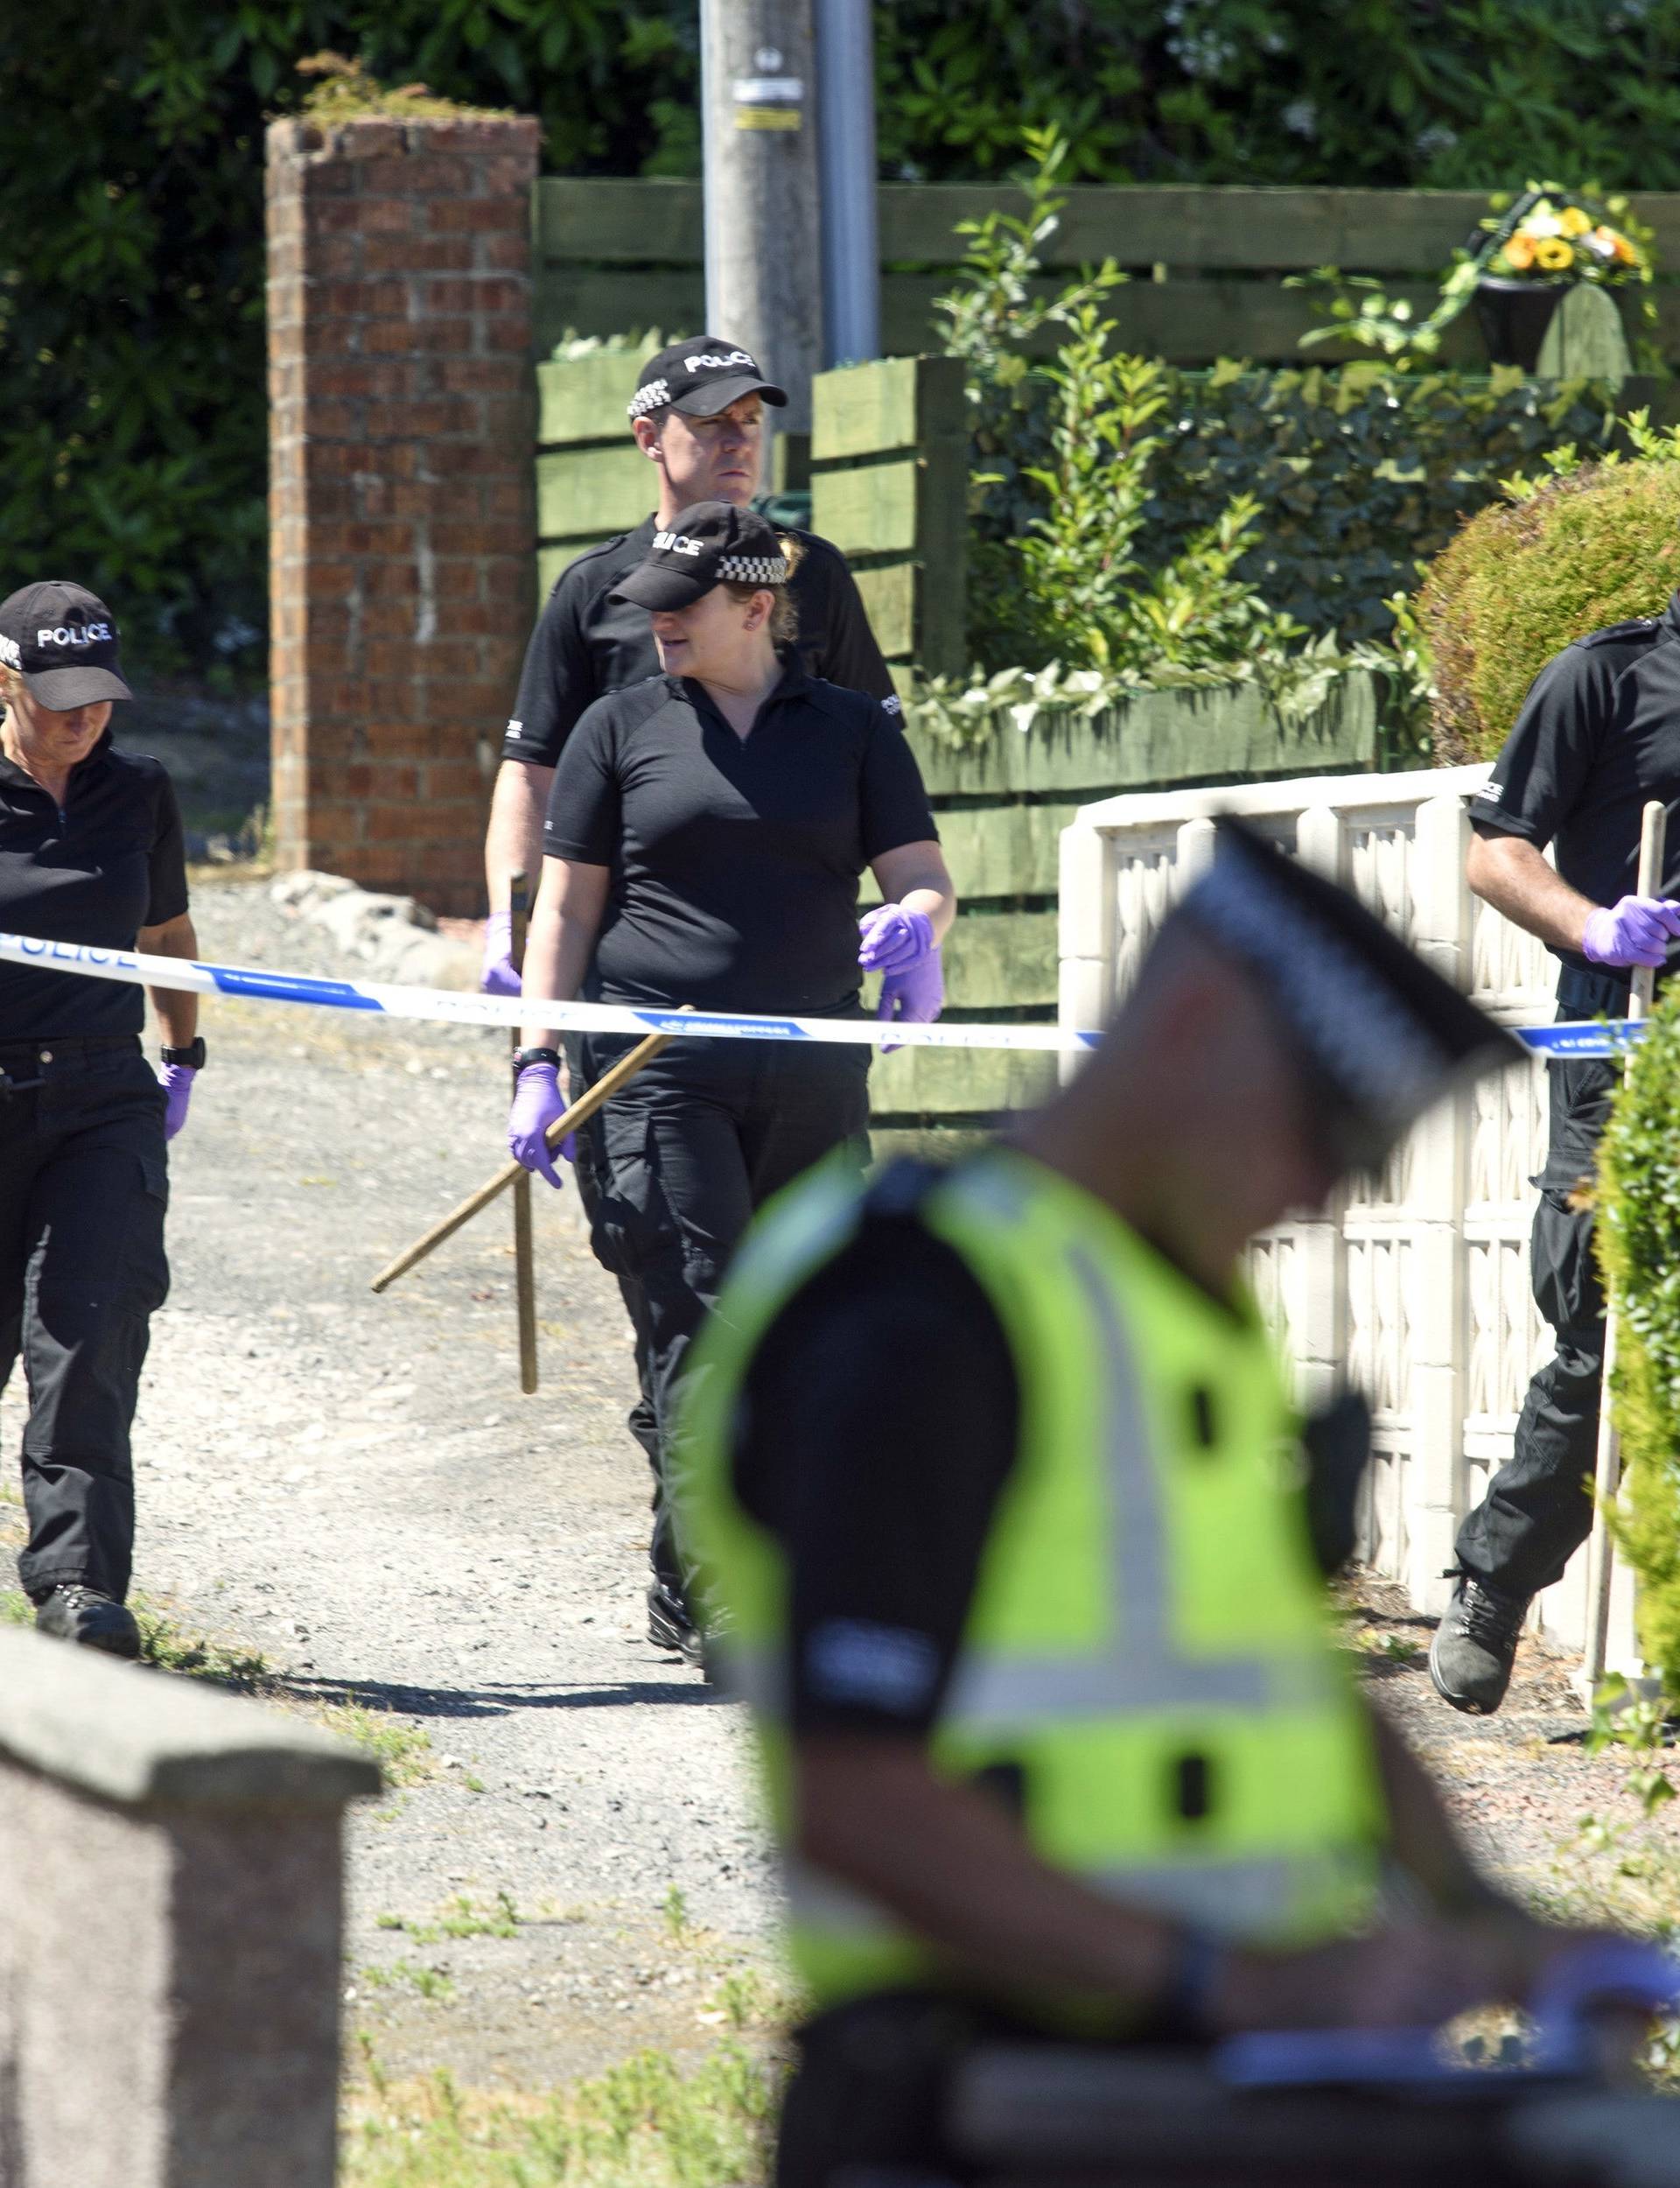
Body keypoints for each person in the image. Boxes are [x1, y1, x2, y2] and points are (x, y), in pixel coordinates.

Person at [679, 819, 1637, 2188]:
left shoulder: (1168, 1308)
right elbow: (859, 1799)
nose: (1324, 1190)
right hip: (979, 2102)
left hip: (1198, 2084)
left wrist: (1489, 1926)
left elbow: (1284, 1678)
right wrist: (1245, 1986)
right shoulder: (919, 1313)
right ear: (1193, 1021)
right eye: (1324, 1130)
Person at [507, 503, 953, 1664]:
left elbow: (920, 872)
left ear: (758, 607)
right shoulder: (619, 727)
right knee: (706, 1318)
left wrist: (916, 928)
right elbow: (567, 908)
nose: (657, 620)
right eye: (650, 602)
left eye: (683, 604)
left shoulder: (854, 731)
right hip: (659, 1074)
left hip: (812, 1074)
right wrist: (537, 1061)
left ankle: (685, 1565)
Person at [482, 335, 899, 1570]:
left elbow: (872, 757)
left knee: (777, 1306)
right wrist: (523, 965)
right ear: (647, 435)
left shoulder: (811, 579)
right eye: (710, 422)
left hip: (792, 1013)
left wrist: (905, 916)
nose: (735, 441)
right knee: (681, 1291)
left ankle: (702, 1550)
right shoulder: (594, 592)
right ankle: (712, 1554)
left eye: (750, 423)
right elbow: (533, 770)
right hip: (632, 1014)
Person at [1432, 601, 1680, 1715]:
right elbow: (1497, 853)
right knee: (1600, 1331)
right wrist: (1591, 927)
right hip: (1623, 1044)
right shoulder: (1607, 675)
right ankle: (1497, 1581)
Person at [0, 582, 203, 1659]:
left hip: (100, 1095)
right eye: (60, 697)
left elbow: (167, 932)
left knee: (88, 1338)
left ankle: (78, 1586)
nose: (85, 718)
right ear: (5, 681)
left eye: (100, 698)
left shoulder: (139, 792)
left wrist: (184, 1051)